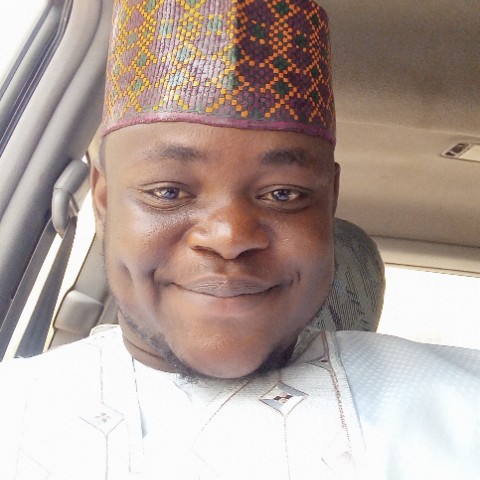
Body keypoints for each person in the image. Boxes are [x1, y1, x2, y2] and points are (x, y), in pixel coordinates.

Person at [1, 0, 479, 478]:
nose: (229, 238)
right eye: (168, 192)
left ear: (329, 201)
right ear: (104, 202)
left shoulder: (460, 407)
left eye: (283, 193)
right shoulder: (15, 414)